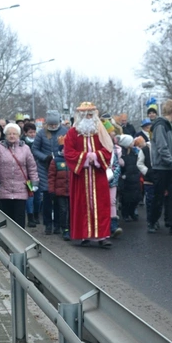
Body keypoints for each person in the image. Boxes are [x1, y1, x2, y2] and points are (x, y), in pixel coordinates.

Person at [63, 102, 114, 248]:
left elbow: (108, 149)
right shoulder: (72, 133)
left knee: (101, 204)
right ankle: (83, 234)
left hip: (98, 175)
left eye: (91, 114)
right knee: (81, 204)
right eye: (85, 114)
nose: (88, 117)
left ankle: (103, 236)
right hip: (81, 176)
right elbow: (68, 152)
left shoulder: (100, 131)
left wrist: (96, 157)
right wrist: (85, 158)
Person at [0, 123, 39, 228]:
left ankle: (20, 242)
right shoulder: (0, 148)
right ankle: (7, 241)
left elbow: (32, 167)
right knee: (7, 218)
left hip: (20, 190)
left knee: (19, 218)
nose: (12, 136)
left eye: (14, 134)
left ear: (18, 135)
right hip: (4, 189)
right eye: (9, 134)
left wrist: (34, 182)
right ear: (5, 135)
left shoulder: (25, 148)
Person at [148, 99, 172, 236]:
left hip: (171, 167)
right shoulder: (160, 126)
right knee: (158, 196)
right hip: (161, 167)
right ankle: (152, 222)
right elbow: (162, 147)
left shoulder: (171, 125)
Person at [31, 110, 68, 235]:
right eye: (51, 124)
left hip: (61, 168)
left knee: (59, 199)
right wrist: (44, 157)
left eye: (55, 124)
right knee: (47, 197)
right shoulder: (41, 133)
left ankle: (58, 224)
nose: (53, 126)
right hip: (44, 168)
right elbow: (35, 149)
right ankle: (48, 224)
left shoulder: (65, 132)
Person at [47, 136, 71, 241]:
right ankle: (64, 228)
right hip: (60, 191)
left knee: (71, 210)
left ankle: (71, 227)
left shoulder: (73, 161)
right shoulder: (56, 161)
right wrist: (51, 189)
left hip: (71, 191)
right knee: (63, 210)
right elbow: (51, 176)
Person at [118, 134, 141, 223]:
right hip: (126, 178)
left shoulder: (134, 152)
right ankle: (125, 213)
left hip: (135, 176)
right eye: (131, 142)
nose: (133, 143)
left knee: (136, 197)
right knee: (126, 198)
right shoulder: (121, 153)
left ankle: (132, 212)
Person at [22, 122, 39, 227]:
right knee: (30, 195)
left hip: (38, 171)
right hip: (27, 173)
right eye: (30, 132)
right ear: (25, 133)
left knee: (37, 196)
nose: (33, 134)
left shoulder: (38, 141)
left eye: (34, 132)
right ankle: (31, 216)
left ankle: (36, 214)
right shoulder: (22, 143)